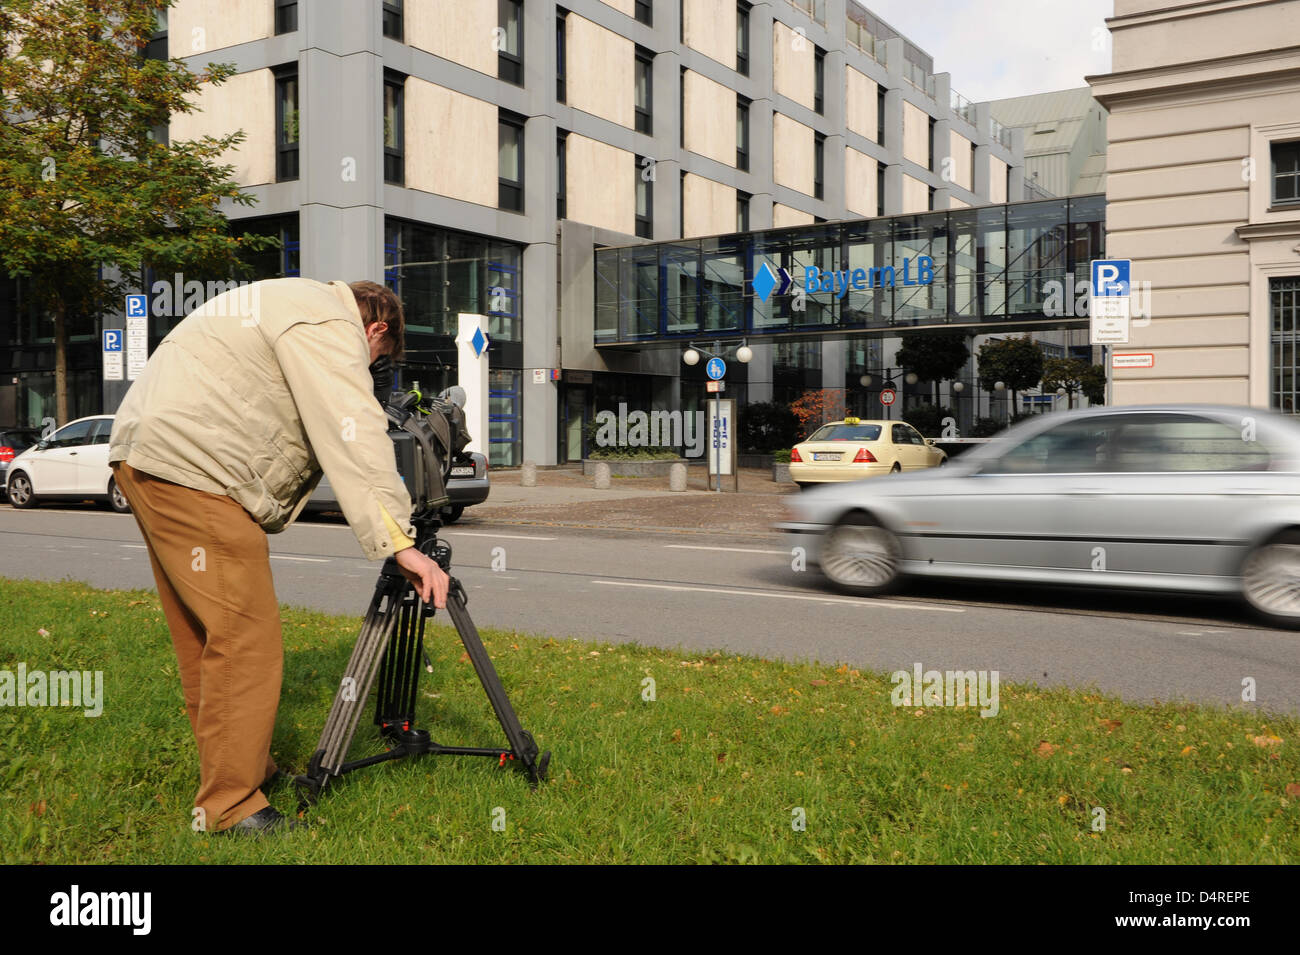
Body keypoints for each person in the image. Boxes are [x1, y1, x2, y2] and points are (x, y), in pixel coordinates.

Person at [108, 278, 449, 835]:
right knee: (246, 643)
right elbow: (353, 430)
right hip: (200, 473)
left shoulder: (288, 299)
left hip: (150, 459)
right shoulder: (328, 324)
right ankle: (232, 806)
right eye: (377, 360)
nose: (371, 370)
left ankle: (242, 773)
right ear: (376, 329)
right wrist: (401, 543)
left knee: (206, 639)